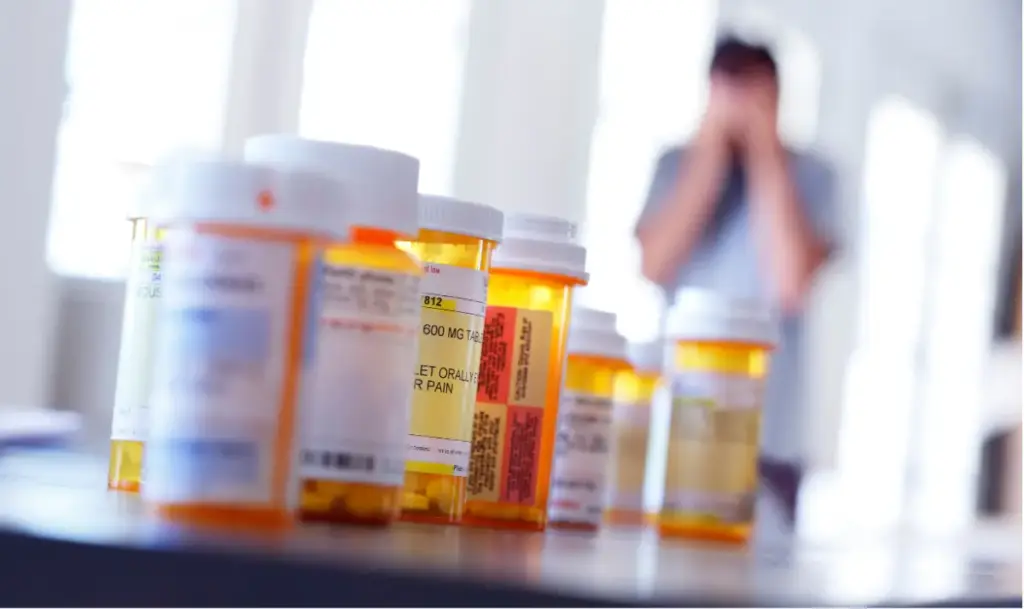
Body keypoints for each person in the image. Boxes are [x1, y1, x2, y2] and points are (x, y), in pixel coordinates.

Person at [635, 36, 839, 526]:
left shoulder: (814, 175)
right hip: (679, 419)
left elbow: (791, 281)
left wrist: (765, 152)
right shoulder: (673, 164)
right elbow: (654, 265)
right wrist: (710, 153)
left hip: (771, 437)